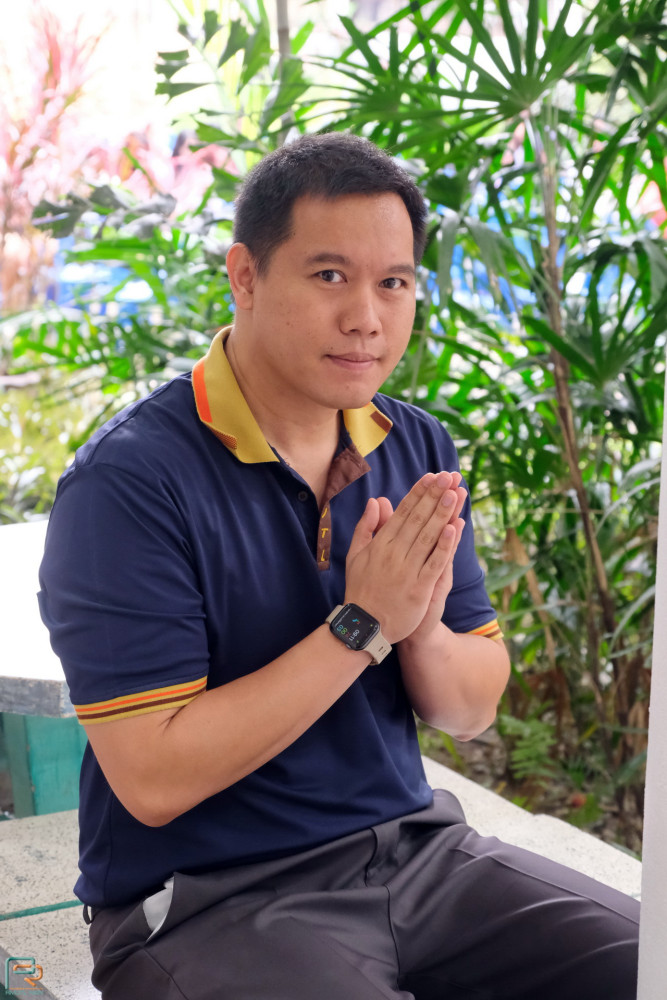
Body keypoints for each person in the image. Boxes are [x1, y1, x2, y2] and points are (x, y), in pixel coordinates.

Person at [39, 133, 639, 1000]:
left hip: (417, 856)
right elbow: (154, 778)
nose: (366, 316)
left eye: (393, 282)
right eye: (330, 276)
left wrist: (416, 623)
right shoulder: (129, 482)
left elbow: (469, 708)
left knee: (648, 964)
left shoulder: (412, 442)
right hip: (211, 900)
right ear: (245, 276)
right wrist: (360, 626)